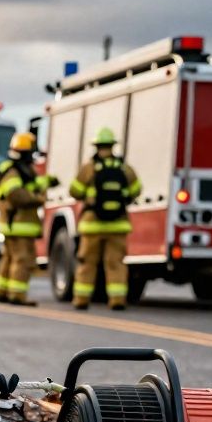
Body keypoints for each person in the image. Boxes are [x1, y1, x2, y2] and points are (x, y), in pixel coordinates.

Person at [69, 127, 140, 310]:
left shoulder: (89, 168)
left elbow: (74, 191)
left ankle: (81, 299)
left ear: (97, 146)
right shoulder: (125, 168)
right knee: (115, 263)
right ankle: (117, 300)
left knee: (87, 263)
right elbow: (136, 190)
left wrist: (89, 196)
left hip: (92, 224)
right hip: (118, 224)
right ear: (112, 146)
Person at [0, 132, 56, 305]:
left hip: (13, 225)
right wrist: (39, 200)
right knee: (23, 260)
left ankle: (2, 292)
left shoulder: (18, 170)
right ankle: (17, 295)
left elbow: (32, 185)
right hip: (20, 225)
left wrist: (49, 181)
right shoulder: (13, 171)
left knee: (9, 259)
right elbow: (17, 195)